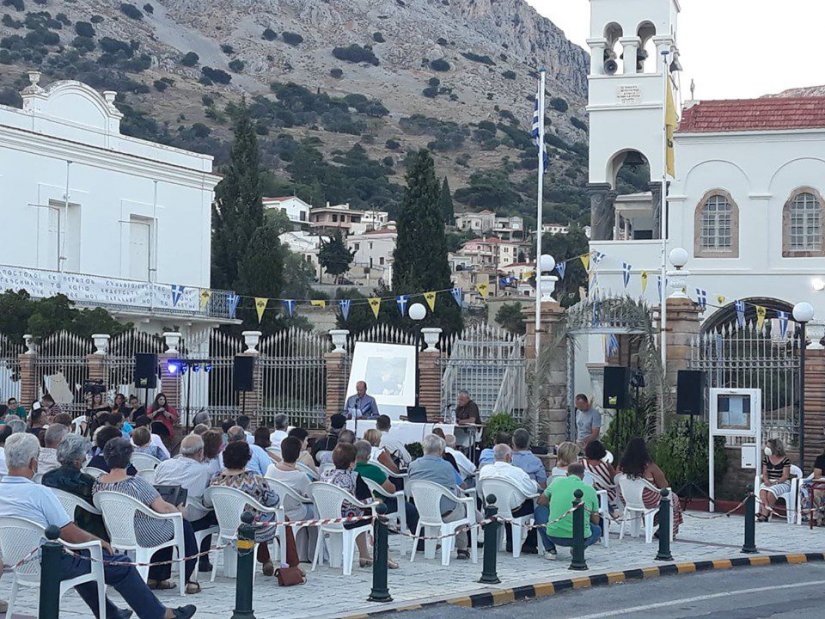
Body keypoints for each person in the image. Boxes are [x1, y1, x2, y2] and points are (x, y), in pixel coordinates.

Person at [0, 433, 197, 619]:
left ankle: (112, 614)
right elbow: (69, 532)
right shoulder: (39, 493)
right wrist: (97, 540)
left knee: (86, 562)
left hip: (20, 561)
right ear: (34, 462)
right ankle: (158, 614)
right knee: (121, 565)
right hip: (49, 563)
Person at [94, 437, 201, 593]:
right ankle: (189, 579)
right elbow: (163, 508)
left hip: (117, 532)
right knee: (180, 525)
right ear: (129, 457)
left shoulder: (98, 483)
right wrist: (180, 512)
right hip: (143, 534)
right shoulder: (135, 483)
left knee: (165, 524)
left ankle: (156, 577)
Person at [207, 441, 280, 575]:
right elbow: (273, 500)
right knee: (275, 517)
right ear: (246, 458)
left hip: (226, 524)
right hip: (251, 526)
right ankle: (291, 565)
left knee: (257, 516)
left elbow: (207, 500)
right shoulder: (255, 479)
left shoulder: (216, 479)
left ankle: (266, 560)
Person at [321, 443, 394, 568]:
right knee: (375, 513)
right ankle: (384, 556)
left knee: (361, 512)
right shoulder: (354, 477)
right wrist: (377, 501)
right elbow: (367, 500)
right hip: (349, 518)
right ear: (351, 463)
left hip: (328, 517)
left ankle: (364, 555)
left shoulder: (325, 475)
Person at [154, 434, 217, 573]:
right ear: (200, 452)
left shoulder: (163, 465)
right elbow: (206, 499)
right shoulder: (205, 471)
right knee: (210, 511)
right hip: (190, 516)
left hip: (161, 514)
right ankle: (203, 561)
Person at [408, 434, 472, 560]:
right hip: (446, 511)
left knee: (459, 503)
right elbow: (461, 485)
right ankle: (463, 549)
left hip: (423, 510)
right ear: (440, 450)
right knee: (463, 506)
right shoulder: (446, 466)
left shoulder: (413, 465)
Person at [42, 433, 108, 540]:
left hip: (56, 525)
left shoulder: (47, 477)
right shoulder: (87, 481)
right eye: (85, 455)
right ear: (77, 460)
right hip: (85, 527)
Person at [265, 436, 319, 562]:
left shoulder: (270, 469)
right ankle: (313, 553)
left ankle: (301, 552)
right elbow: (311, 496)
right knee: (315, 511)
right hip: (294, 512)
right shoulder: (300, 476)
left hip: (276, 511)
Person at [479, 443, 540, 553]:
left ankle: (510, 541)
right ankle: (530, 543)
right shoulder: (517, 472)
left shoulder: (485, 470)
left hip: (492, 508)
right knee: (533, 503)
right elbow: (531, 490)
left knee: (510, 500)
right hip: (514, 510)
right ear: (508, 457)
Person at [618, 437, 683, 536]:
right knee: (673, 497)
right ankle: (667, 530)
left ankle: (652, 525)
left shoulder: (621, 467)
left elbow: (616, 480)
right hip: (647, 500)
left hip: (628, 499)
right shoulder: (650, 467)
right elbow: (664, 486)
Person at [535, 463, 601, 560]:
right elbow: (596, 520)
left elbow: (540, 501)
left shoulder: (556, 482)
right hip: (581, 538)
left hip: (554, 535)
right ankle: (578, 549)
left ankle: (550, 549)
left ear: (566, 474)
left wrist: (555, 504)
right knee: (597, 530)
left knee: (539, 510)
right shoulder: (590, 490)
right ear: (583, 476)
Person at [354, 439, 419, 535]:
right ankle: (421, 544)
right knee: (411, 510)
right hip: (379, 504)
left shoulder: (352, 470)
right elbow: (391, 490)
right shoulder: (373, 470)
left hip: (357, 504)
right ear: (368, 455)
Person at [758, 437, 792, 522]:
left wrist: (776, 482)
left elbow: (785, 476)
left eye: (768, 446)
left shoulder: (785, 460)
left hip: (782, 483)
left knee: (771, 492)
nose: (766, 448)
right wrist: (766, 480)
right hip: (770, 481)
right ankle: (766, 512)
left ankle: (764, 514)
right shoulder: (766, 459)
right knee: (762, 491)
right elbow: (765, 473)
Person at [583, 440, 617, 510]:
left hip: (588, 495)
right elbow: (615, 480)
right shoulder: (606, 465)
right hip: (606, 496)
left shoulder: (582, 464)